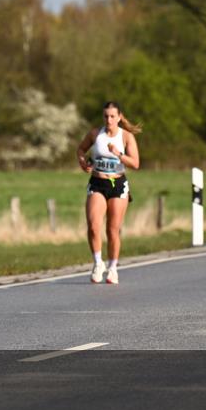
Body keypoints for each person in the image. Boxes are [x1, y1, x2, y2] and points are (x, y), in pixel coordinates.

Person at [76, 101, 141, 285]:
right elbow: (80, 149)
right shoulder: (95, 134)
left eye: (113, 116)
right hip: (97, 182)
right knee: (93, 225)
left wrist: (119, 154)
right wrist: (83, 162)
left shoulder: (126, 137)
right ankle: (98, 263)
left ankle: (113, 268)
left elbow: (135, 164)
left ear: (119, 117)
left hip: (117, 183)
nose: (109, 120)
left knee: (112, 229)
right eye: (106, 116)